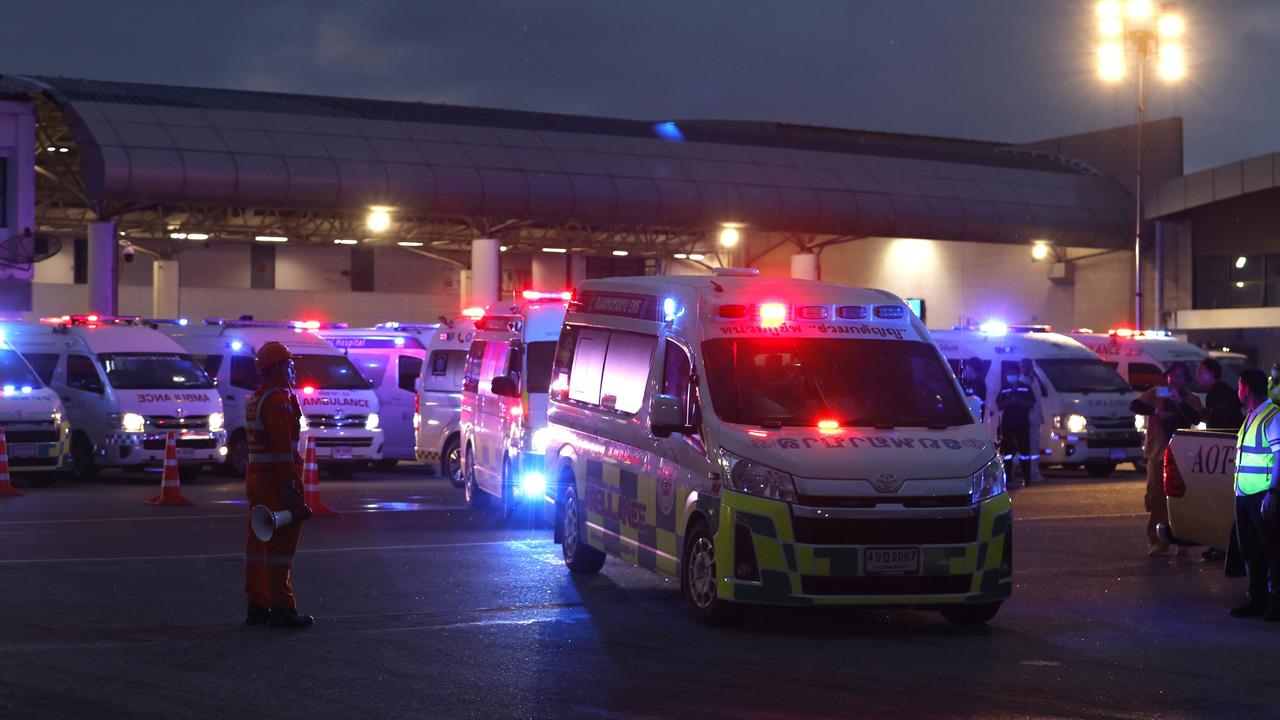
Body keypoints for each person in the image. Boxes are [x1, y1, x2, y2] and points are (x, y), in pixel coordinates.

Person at [243, 341, 314, 629]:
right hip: (276, 481)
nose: (293, 369)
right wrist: (293, 490)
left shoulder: (256, 399)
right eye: (288, 364)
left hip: (256, 479)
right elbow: (283, 451)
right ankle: (282, 608)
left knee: (258, 543)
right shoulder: (278, 402)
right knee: (280, 548)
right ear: (276, 369)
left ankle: (257, 605)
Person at [1131, 363, 1204, 557]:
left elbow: (1195, 418)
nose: (1175, 379)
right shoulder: (1158, 392)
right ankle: (1158, 541)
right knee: (1156, 497)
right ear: (1167, 377)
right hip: (1157, 453)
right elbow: (1135, 405)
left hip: (1182, 454)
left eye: (1180, 376)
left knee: (1181, 498)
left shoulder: (1191, 398)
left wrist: (1179, 401)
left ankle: (1183, 541)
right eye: (1172, 376)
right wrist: (1155, 412)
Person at [1229, 368, 1280, 619]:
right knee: (1249, 551)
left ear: (1246, 388)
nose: (1237, 390)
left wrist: (1273, 492)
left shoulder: (1273, 417)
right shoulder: (1251, 416)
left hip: (1263, 496)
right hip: (1245, 495)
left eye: (1239, 385)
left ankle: (1276, 604)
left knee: (1272, 551)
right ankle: (1257, 599)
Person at [996, 369, 1036, 486]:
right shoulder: (1004, 388)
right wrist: (1008, 402)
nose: (1011, 376)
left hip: (1022, 423)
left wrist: (1018, 401)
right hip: (1008, 424)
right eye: (1009, 374)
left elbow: (1031, 404)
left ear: (1018, 375)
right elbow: (999, 406)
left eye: (1013, 374)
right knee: (1007, 452)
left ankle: (1026, 478)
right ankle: (1008, 477)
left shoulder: (1026, 387)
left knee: (1024, 451)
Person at [1196, 357, 1244, 430]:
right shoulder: (1216, 392)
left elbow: (1220, 425)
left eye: (1200, 372)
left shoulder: (1219, 395)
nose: (1196, 376)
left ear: (1211, 374)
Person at [1019, 359, 1045, 482]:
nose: (1027, 368)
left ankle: (1033, 471)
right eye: (1024, 366)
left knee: (1034, 446)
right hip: (1028, 420)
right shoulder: (1022, 383)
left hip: (1035, 419)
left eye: (1029, 366)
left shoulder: (1034, 380)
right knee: (1030, 448)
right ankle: (1032, 472)